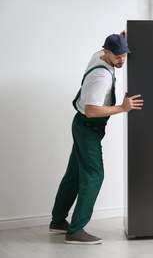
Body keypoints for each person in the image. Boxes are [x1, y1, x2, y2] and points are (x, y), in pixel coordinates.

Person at [49, 32, 143, 245]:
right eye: (117, 56)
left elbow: (118, 40)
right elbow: (91, 110)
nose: (122, 60)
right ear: (106, 51)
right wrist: (122, 107)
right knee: (94, 175)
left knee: (74, 174)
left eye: (124, 55)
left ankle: (57, 221)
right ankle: (76, 230)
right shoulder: (101, 77)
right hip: (87, 126)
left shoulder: (98, 55)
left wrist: (125, 34)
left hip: (83, 126)